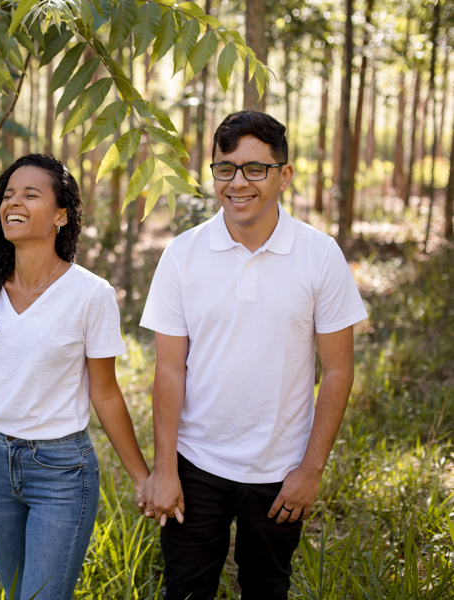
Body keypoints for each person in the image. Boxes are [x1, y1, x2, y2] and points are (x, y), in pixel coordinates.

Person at [139, 111, 368, 599]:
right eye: (226, 168)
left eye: (254, 169)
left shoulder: (320, 254)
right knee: (184, 589)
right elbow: (168, 368)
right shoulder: (182, 254)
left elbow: (339, 370)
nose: (238, 183)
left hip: (281, 470)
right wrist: (164, 469)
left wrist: (310, 469)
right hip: (196, 464)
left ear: (284, 175)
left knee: (267, 588)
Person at [0, 154, 150, 600]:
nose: (15, 201)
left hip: (62, 472)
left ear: (61, 214)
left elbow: (105, 394)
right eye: (9, 194)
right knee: (16, 593)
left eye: (32, 194)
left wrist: (141, 477)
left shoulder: (90, 294)